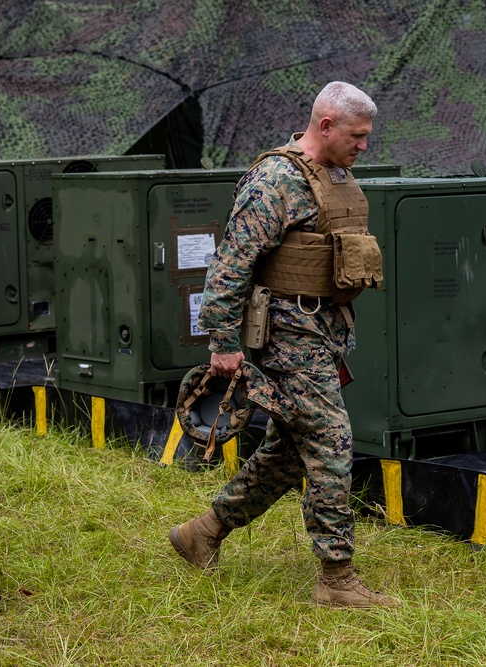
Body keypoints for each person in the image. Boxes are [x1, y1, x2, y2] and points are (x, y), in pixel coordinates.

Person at [168, 81, 395, 608]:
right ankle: (336, 579)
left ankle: (202, 533)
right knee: (331, 442)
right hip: (287, 336)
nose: (364, 147)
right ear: (325, 126)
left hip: (321, 330)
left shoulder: (332, 175)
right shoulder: (275, 180)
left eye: (366, 137)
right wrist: (223, 344)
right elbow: (228, 270)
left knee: (289, 451)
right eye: (357, 136)